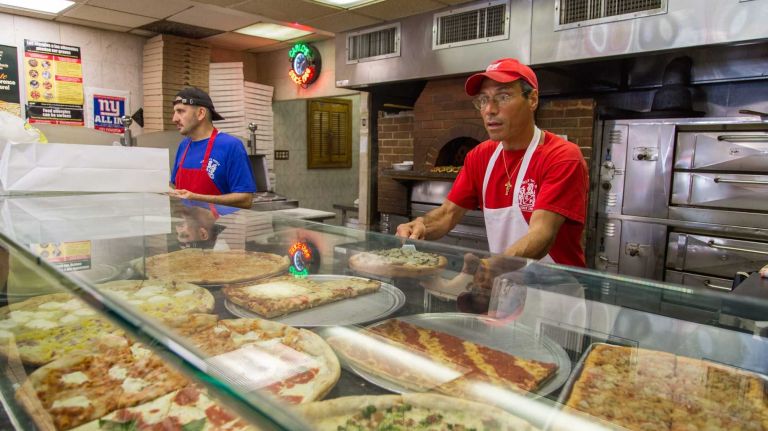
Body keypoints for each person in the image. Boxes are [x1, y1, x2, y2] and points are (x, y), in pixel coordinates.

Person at [397, 58, 588, 267]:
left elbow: (542, 235)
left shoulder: (562, 156)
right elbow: (447, 214)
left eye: (503, 96)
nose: (489, 109)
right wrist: (421, 225)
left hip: (555, 292)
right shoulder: (480, 156)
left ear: (532, 100)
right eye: (483, 100)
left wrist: (493, 266)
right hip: (506, 285)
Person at [169, 87, 255, 209]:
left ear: (200, 113)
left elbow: (245, 199)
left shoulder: (230, 146)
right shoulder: (184, 146)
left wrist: (197, 198)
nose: (174, 119)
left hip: (222, 226)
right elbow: (176, 187)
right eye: (175, 112)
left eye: (181, 111)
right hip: (186, 226)